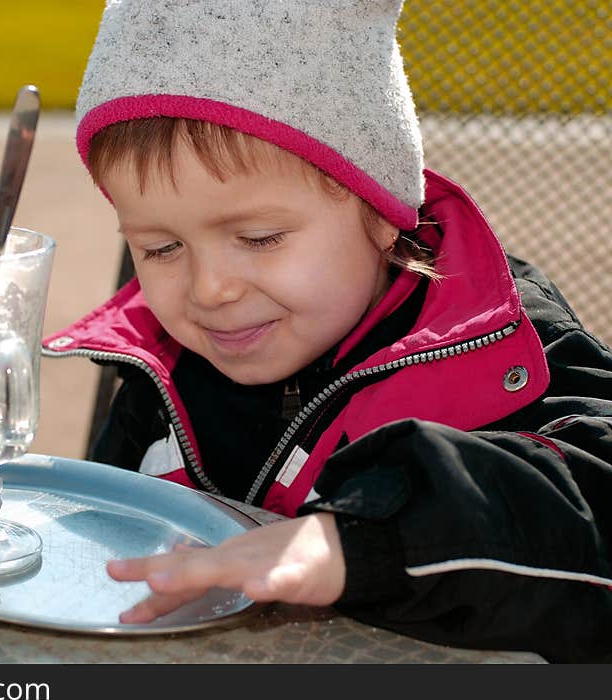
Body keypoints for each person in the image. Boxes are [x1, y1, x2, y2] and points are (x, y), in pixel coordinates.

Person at [42, 0, 612, 662]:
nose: (208, 289)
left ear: (380, 209)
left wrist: (367, 541)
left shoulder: (504, 350)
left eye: (259, 237)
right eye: (161, 248)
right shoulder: (163, 371)